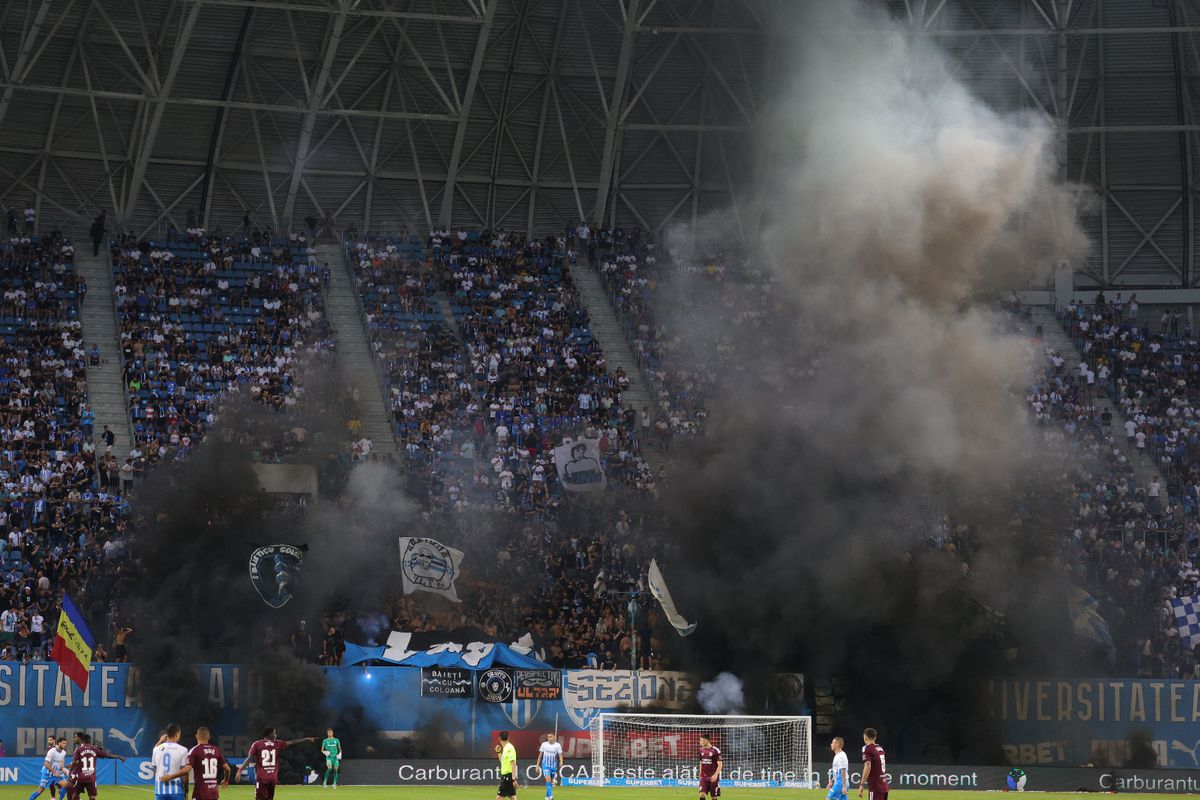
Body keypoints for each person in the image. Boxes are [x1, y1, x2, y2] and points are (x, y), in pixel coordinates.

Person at [234, 726, 315, 800]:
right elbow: (291, 742)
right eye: (274, 733)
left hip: (262, 778)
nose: (276, 735)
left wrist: (240, 770)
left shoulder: (257, 744)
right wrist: (305, 739)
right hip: (272, 779)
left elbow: (250, 758)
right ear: (270, 734)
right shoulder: (277, 743)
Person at [161, 727, 228, 800]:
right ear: (209, 737)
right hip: (214, 794)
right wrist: (226, 780)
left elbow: (187, 770)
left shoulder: (195, 750)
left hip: (200, 794)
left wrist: (170, 776)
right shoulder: (216, 750)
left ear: (196, 736)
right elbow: (227, 769)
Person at [66, 733, 126, 800]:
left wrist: (71, 766)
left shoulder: (79, 749)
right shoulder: (95, 749)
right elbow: (107, 755)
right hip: (91, 777)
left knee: (75, 794)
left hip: (81, 777)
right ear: (90, 740)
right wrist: (118, 756)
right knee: (92, 796)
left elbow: (76, 762)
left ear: (83, 740)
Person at [153, 724, 189, 800]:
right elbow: (185, 774)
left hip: (160, 791)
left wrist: (160, 741)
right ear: (177, 734)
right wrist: (186, 792)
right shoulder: (183, 750)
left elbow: (155, 771)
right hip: (177, 791)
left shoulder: (156, 749)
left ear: (167, 734)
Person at [858, 728, 889, 800]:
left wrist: (861, 784)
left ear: (865, 737)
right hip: (884, 785)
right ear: (875, 737)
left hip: (876, 787)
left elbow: (867, 766)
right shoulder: (880, 748)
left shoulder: (867, 748)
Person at [537, 733, 563, 800]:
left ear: (554, 737)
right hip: (545, 765)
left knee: (550, 782)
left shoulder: (558, 745)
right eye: (548, 736)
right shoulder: (544, 744)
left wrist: (561, 762)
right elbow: (540, 755)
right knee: (548, 779)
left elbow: (560, 755)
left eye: (550, 736)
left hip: (553, 766)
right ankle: (551, 797)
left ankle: (546, 797)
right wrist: (537, 765)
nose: (549, 738)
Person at [698, 733, 722, 800]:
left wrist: (715, 775)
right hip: (704, 776)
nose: (700, 742)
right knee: (701, 794)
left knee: (713, 797)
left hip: (713, 777)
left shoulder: (716, 750)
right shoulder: (701, 750)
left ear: (707, 741)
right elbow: (701, 762)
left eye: (701, 740)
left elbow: (720, 764)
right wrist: (700, 773)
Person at [495, 730, 518, 800]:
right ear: (508, 738)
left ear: (499, 738)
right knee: (512, 796)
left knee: (499, 797)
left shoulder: (509, 747)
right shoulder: (506, 748)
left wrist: (513, 779)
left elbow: (513, 763)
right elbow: (502, 761)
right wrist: (499, 752)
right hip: (507, 776)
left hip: (508, 776)